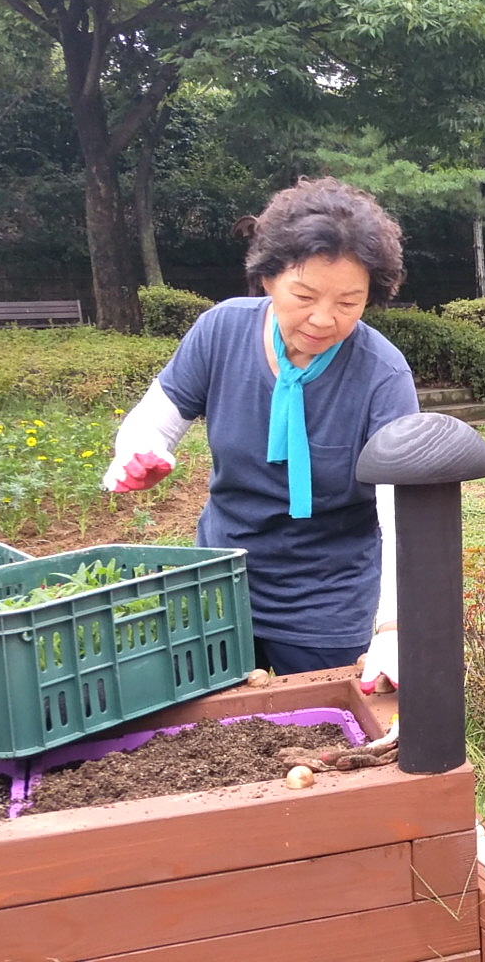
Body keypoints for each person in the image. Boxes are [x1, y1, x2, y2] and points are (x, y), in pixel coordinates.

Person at [104, 178, 419, 684]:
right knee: (209, 742)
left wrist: (394, 628)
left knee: (327, 739)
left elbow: (402, 513)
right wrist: (139, 454)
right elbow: (153, 421)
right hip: (220, 584)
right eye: (304, 294)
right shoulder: (221, 330)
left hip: (327, 601)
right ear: (268, 278)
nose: (323, 318)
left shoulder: (382, 374)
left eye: (348, 302)